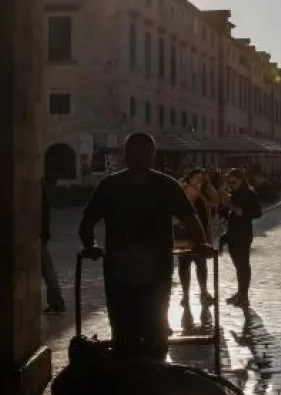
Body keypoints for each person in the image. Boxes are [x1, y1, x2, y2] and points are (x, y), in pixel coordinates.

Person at [79, 132, 208, 358]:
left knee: (124, 324)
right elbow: (191, 219)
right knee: (154, 322)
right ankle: (152, 365)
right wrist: (201, 244)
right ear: (153, 156)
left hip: (122, 267)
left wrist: (91, 246)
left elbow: (87, 223)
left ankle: (130, 366)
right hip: (154, 267)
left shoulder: (110, 185)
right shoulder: (167, 185)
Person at [178, 168, 220, 313]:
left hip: (201, 233)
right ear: (189, 178)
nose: (199, 181)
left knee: (201, 264)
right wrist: (193, 191)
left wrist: (208, 186)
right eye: (197, 177)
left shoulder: (204, 193)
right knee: (184, 264)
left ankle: (204, 292)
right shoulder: (182, 190)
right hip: (184, 233)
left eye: (202, 178)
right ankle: (185, 295)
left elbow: (216, 201)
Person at [220, 167, 262, 309]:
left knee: (243, 264)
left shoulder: (248, 194)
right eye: (229, 182)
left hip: (243, 233)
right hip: (231, 233)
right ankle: (240, 293)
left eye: (234, 181)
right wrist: (225, 205)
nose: (231, 184)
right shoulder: (232, 194)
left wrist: (241, 211)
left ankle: (243, 295)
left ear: (241, 180)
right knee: (238, 265)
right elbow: (223, 213)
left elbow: (257, 213)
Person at [41, 178, 66, 315]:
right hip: (40, 234)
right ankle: (56, 302)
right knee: (47, 270)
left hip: (37, 235)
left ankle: (56, 303)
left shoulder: (37, 185)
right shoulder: (41, 185)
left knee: (47, 269)